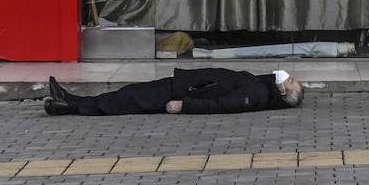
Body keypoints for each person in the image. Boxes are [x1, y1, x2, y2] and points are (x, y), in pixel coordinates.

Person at [43, 68, 305, 116]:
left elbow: (224, 104)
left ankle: (70, 105)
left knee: (128, 99)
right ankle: (69, 103)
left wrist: (185, 104)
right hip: (183, 85)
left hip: (183, 92)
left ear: (284, 91)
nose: (288, 76)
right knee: (129, 94)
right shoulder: (262, 86)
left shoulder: (257, 94)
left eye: (291, 80)